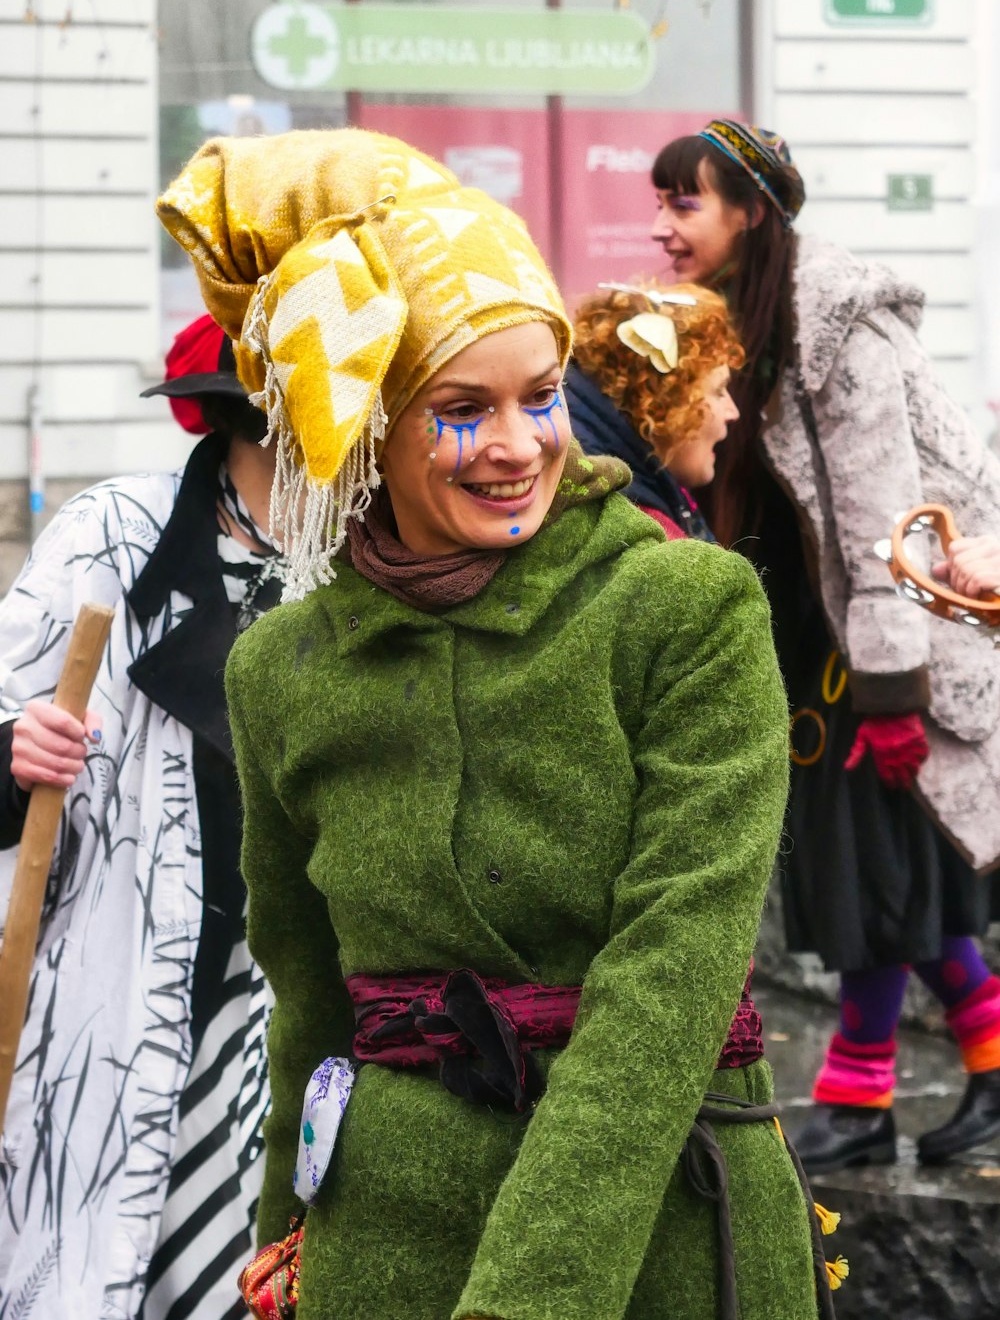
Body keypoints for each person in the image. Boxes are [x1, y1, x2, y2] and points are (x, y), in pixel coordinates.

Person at [156, 126, 842, 1319]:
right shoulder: (283, 668)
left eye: (542, 396)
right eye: (462, 408)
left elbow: (671, 973)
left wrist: (534, 1293)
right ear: (364, 421)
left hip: (664, 1234)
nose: (518, 446)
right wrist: (282, 1251)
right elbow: (306, 1002)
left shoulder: (682, 606)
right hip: (382, 1242)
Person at [650, 118, 1000, 1171]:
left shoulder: (833, 328)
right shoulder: (729, 323)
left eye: (684, 203)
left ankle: (859, 1095)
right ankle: (938, 1083)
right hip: (811, 641)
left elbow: (880, 521)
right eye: (659, 203)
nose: (662, 226)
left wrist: (891, 694)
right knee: (882, 880)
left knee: (876, 879)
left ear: (750, 211)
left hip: (888, 638)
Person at [0, 316, 281, 1318]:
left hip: (287, 1021)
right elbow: (6, 725)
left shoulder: (368, 566)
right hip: (115, 1005)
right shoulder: (115, 533)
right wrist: (13, 750)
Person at [567, 281, 741, 540]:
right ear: (662, 402)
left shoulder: (637, 484)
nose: (733, 412)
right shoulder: (641, 528)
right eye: (718, 390)